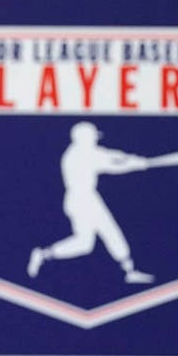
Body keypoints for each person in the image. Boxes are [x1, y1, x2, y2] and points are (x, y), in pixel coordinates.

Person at [27, 121, 155, 283]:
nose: (95, 139)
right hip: (83, 200)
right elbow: (112, 166)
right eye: (92, 137)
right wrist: (137, 165)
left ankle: (43, 254)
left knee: (86, 242)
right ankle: (129, 271)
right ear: (83, 138)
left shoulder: (83, 151)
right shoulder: (79, 156)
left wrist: (135, 160)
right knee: (106, 233)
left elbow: (112, 155)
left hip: (82, 199)